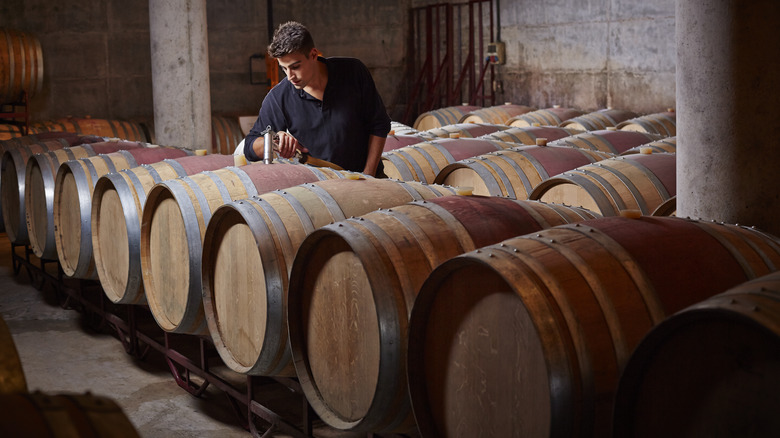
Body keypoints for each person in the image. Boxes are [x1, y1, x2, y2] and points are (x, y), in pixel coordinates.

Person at [243, 21, 390, 176]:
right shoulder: (279, 97)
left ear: (313, 55)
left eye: (295, 67)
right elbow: (250, 146)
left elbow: (379, 124)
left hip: (370, 182)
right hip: (321, 192)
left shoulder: (353, 72)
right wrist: (274, 142)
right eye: (284, 68)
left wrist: (368, 175)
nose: (290, 76)